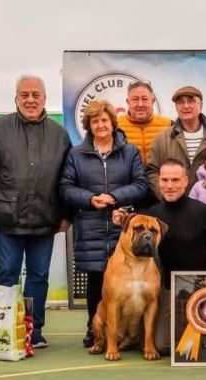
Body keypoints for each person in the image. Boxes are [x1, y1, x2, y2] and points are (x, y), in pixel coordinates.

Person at [0, 75, 72, 348]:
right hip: (7, 220)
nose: (30, 100)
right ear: (16, 98)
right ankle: (3, 331)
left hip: (46, 220)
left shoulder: (59, 134)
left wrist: (67, 215)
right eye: (24, 95)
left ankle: (33, 330)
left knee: (39, 277)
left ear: (44, 99)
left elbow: (68, 178)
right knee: (7, 274)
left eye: (35, 95)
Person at [112, 159, 206, 353]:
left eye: (175, 180)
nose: (169, 186)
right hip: (167, 289)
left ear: (185, 181)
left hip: (199, 288)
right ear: (159, 181)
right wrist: (121, 218)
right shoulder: (149, 215)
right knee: (162, 346)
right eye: (165, 180)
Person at [59, 99, 148, 348]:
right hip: (90, 227)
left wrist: (115, 197)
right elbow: (66, 188)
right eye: (95, 121)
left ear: (113, 123)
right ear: (88, 125)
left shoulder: (130, 152)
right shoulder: (76, 154)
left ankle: (128, 332)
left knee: (126, 282)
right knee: (97, 281)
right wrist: (90, 199)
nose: (100, 125)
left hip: (123, 229)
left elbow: (141, 184)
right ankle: (94, 328)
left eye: (104, 120)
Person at [147, 85, 206, 198]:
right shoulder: (161, 139)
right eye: (180, 102)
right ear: (176, 107)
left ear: (201, 105)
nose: (186, 106)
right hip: (174, 206)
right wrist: (166, 195)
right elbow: (152, 172)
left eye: (191, 101)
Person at [117, 81, 171, 165]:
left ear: (152, 101)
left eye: (145, 99)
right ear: (128, 102)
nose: (140, 104)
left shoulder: (168, 125)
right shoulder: (116, 126)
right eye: (135, 99)